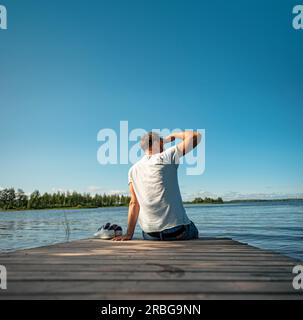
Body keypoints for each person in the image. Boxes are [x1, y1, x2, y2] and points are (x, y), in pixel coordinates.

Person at [113, 130, 201, 241]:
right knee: (191, 226)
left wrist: (128, 234)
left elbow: (134, 203)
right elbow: (196, 136)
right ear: (159, 143)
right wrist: (173, 135)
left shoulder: (132, 170)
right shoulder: (167, 156)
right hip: (177, 232)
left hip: (150, 235)